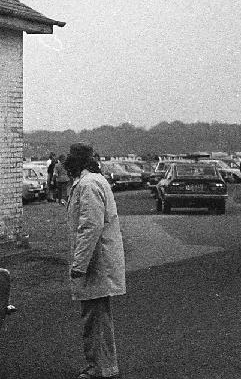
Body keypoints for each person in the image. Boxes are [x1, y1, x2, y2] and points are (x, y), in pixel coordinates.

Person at [64, 143, 126, 379]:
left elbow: (90, 227)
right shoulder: (92, 182)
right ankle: (105, 366)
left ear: (77, 161)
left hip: (95, 263)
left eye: (70, 158)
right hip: (98, 261)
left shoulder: (88, 185)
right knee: (98, 316)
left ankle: (99, 368)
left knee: (94, 318)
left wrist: (79, 264)